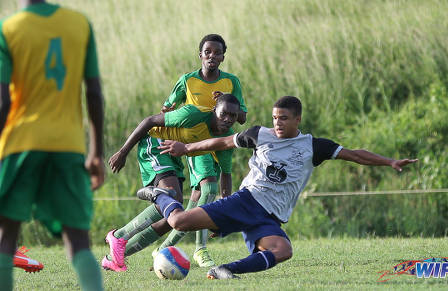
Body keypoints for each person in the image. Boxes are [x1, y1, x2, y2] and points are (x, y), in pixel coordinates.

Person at [137, 96, 418, 279]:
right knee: (179, 221)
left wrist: (389, 161)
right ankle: (161, 195)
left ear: (297, 119)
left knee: (283, 250)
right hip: (246, 201)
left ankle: (224, 270)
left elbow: (356, 154)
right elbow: (220, 142)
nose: (277, 123)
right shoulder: (260, 134)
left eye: (283, 118)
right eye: (274, 117)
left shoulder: (313, 146)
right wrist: (186, 148)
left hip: (269, 217)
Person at [0, 1, 105, 290]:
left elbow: (2, 102)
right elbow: (94, 93)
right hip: (67, 146)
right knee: (78, 240)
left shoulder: (7, 29)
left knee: (5, 237)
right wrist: (96, 151)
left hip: (19, 145)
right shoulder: (79, 23)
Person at [102, 94, 241, 272]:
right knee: (171, 199)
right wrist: (123, 152)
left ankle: (113, 258)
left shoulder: (226, 138)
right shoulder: (193, 114)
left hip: (174, 154)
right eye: (224, 114)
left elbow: (226, 176)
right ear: (214, 110)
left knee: (175, 217)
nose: (228, 120)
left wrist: (223, 215)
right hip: (155, 142)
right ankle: (119, 236)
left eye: (233, 116)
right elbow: (150, 121)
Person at [160, 33, 247, 267]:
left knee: (196, 201)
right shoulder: (187, 80)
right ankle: (200, 250)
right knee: (209, 187)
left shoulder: (231, 82)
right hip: (196, 142)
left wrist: (224, 103)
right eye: (207, 52)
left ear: (223, 57)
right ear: (200, 55)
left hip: (222, 142)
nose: (212, 56)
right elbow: (167, 108)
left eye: (217, 52)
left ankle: (164, 248)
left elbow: (242, 118)